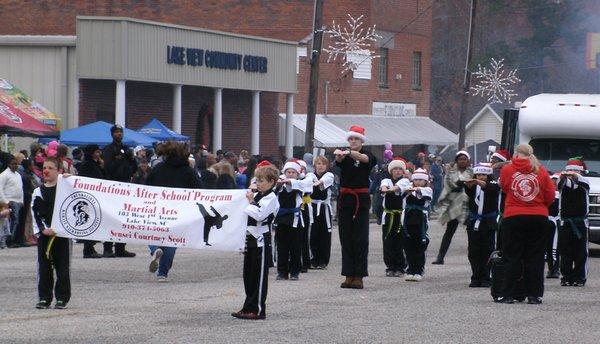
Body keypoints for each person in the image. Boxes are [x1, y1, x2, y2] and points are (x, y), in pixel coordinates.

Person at [496, 144, 554, 304]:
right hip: (538, 216)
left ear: (516, 154)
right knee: (535, 257)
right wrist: (539, 206)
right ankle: (535, 295)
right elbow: (550, 195)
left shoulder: (507, 169)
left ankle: (507, 293)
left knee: (512, 256)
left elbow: (505, 187)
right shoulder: (540, 170)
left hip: (514, 216)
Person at [146, 141, 202, 282]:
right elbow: (200, 190)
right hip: (179, 211)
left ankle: (155, 249)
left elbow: (146, 187)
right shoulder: (188, 171)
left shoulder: (158, 168)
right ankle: (162, 274)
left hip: (157, 207)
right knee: (172, 240)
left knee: (151, 234)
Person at [231, 162, 279, 320]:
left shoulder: (271, 198)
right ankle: (248, 306)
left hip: (261, 240)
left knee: (258, 276)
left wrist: (250, 201)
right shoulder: (257, 195)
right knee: (248, 275)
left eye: (261, 180)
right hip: (249, 238)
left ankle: (257, 309)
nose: (257, 183)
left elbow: (259, 214)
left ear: (271, 182)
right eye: (256, 180)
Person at [334, 125, 377, 289]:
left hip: (360, 199)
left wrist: (349, 152)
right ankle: (348, 274)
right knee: (346, 238)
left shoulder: (368, 154)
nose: (353, 141)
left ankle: (359, 275)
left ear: (361, 141)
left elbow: (365, 159)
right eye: (350, 139)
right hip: (345, 199)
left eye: (356, 139)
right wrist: (339, 157)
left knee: (360, 238)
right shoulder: (344, 155)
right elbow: (338, 162)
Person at [32, 157, 70, 309]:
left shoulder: (66, 187)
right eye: (44, 168)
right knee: (44, 267)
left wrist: (71, 179)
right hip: (45, 234)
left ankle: (62, 298)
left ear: (59, 171)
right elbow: (35, 213)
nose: (46, 171)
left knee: (62, 267)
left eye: (50, 168)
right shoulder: (38, 191)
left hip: (61, 234)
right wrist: (43, 229)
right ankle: (44, 297)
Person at [432, 151, 473, 265]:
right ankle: (440, 257)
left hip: (468, 205)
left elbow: (473, 187)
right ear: (456, 160)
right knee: (449, 232)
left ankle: (473, 256)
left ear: (468, 160)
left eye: (465, 159)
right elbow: (449, 186)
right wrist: (462, 183)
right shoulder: (450, 173)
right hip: (454, 204)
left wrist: (462, 184)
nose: (462, 161)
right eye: (460, 159)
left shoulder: (472, 172)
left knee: (471, 232)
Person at [102, 124, 137, 258]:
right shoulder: (109, 149)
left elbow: (134, 168)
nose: (119, 134)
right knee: (111, 217)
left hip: (125, 185)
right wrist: (118, 160)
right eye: (116, 132)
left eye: (120, 132)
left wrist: (131, 158)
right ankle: (107, 247)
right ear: (112, 134)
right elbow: (108, 168)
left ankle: (121, 247)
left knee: (123, 217)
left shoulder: (126, 149)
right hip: (113, 186)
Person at [464, 163, 500, 288]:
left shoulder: (494, 185)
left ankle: (486, 276)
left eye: (484, 174)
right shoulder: (474, 186)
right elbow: (468, 193)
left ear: (489, 175)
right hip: (474, 221)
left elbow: (491, 189)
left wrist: (479, 182)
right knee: (473, 251)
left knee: (487, 249)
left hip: (488, 222)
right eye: (478, 174)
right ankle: (475, 276)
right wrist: (468, 186)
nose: (480, 177)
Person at [558, 157, 590, 287]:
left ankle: (580, 276)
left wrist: (575, 176)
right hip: (565, 222)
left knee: (581, 251)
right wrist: (564, 177)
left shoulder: (584, 183)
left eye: (574, 170)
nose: (571, 173)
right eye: (569, 170)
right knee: (565, 250)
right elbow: (561, 185)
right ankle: (566, 276)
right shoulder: (563, 184)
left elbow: (581, 182)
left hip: (581, 222)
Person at [274, 160, 305, 281]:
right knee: (282, 247)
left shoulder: (300, 184)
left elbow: (306, 186)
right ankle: (282, 271)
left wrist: (292, 182)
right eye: (288, 172)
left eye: (293, 172)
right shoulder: (279, 186)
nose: (290, 174)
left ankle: (295, 271)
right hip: (282, 219)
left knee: (295, 247)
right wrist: (278, 185)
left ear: (297, 174)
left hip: (295, 219)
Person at [401, 168, 433, 282]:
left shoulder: (428, 190)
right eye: (416, 180)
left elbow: (423, 193)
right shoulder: (407, 188)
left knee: (419, 247)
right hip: (407, 220)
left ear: (425, 181)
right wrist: (408, 190)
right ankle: (410, 269)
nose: (418, 182)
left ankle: (418, 270)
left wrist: (415, 189)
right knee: (408, 246)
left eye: (421, 180)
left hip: (420, 221)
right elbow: (400, 192)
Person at [379, 158, 408, 277]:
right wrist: (384, 189)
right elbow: (383, 186)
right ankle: (390, 266)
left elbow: (398, 187)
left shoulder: (405, 181)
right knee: (388, 241)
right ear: (391, 171)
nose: (397, 171)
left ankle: (400, 267)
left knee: (399, 242)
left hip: (400, 216)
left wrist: (389, 190)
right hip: (388, 216)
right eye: (395, 169)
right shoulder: (386, 180)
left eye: (400, 169)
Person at [77, 144, 105, 258]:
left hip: (95, 197)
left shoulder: (95, 164)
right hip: (88, 197)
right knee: (89, 221)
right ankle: (88, 249)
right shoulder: (87, 165)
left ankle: (90, 247)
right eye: (97, 152)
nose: (99, 154)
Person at [308, 156, 335, 270]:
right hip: (312, 207)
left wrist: (318, 182)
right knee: (313, 233)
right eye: (318, 164)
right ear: (315, 165)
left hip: (324, 207)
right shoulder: (310, 175)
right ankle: (313, 259)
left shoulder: (329, 175)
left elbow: (324, 181)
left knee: (324, 234)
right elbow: (308, 180)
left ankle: (323, 260)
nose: (321, 166)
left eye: (323, 164)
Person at [0, 155, 24, 248]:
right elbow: (0, 189)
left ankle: (12, 239)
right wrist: (5, 201)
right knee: (11, 221)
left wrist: (21, 200)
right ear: (8, 164)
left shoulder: (18, 175)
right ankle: (7, 240)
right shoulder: (4, 175)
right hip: (9, 201)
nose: (15, 166)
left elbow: (20, 188)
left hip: (18, 201)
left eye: (16, 164)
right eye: (13, 164)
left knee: (16, 221)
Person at [546, 173, 560, 279]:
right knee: (547, 246)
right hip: (545, 221)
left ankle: (555, 268)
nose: (554, 182)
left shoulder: (561, 194)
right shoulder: (546, 193)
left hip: (556, 222)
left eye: (556, 180)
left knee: (555, 247)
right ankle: (550, 268)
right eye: (552, 179)